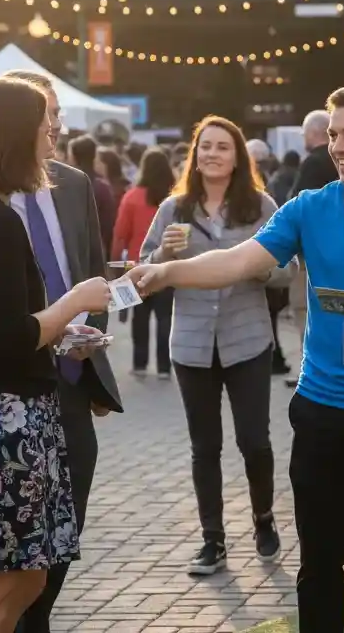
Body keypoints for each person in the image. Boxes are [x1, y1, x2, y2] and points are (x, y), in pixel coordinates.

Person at [127, 83, 344, 632]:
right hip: (321, 413)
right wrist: (168, 272)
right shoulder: (309, 207)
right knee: (318, 568)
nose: (338, 146)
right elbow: (239, 261)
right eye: (333, 134)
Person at [0, 77, 113, 632]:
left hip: (3, 417)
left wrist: (58, 332)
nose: (53, 134)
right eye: (43, 125)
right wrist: (75, 302)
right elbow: (11, 336)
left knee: (29, 577)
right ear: (14, 136)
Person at [139, 116, 288, 576]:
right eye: (205, 147)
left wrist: (252, 267)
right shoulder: (174, 209)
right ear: (194, 155)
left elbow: (285, 270)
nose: (212, 155)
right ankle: (213, 540)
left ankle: (263, 517)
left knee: (254, 441)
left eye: (223, 147)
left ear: (238, 156)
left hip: (247, 339)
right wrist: (163, 255)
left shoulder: (260, 206)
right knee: (205, 446)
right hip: (191, 342)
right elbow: (145, 270)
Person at [3, 71, 124, 633]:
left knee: (63, 532)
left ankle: (37, 621)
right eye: (46, 112)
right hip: (3, 389)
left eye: (57, 113)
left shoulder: (74, 184)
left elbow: (92, 270)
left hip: (71, 380)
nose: (56, 123)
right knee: (11, 541)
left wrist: (86, 337)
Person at [286, 109, 339, 389]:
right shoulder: (341, 161)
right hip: (340, 253)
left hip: (310, 256)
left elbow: (297, 206)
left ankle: (310, 368)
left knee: (304, 310)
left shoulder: (312, 164)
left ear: (313, 132)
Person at [112, 147, 176, 379]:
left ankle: (139, 364)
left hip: (135, 266)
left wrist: (115, 267)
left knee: (139, 317)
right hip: (167, 265)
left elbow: (121, 233)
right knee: (165, 317)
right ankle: (164, 367)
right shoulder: (174, 199)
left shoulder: (131, 197)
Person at [67, 134, 117, 254]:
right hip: (99, 251)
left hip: (72, 251)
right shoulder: (103, 187)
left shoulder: (65, 186)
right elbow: (109, 224)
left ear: (73, 157)